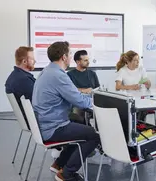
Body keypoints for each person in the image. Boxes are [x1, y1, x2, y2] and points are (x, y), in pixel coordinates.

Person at [32, 41, 100, 181]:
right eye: (69, 54)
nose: (70, 57)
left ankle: (59, 164)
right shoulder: (59, 75)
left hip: (45, 123)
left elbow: (73, 95)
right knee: (93, 135)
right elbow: (79, 100)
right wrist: (97, 103)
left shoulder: (47, 71)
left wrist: (85, 98)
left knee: (79, 123)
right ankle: (67, 173)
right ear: (64, 57)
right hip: (53, 127)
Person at [5, 46, 36, 128]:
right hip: (35, 121)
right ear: (25, 61)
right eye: (32, 59)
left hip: (27, 120)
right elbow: (38, 102)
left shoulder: (14, 76)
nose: (35, 61)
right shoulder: (23, 80)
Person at [67, 50, 100, 124]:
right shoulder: (70, 75)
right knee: (78, 114)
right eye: (85, 60)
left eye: (88, 60)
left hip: (92, 102)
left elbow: (98, 89)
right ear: (78, 62)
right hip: (78, 102)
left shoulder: (92, 74)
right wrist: (83, 90)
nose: (88, 62)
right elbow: (69, 90)